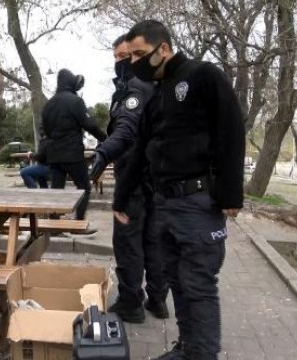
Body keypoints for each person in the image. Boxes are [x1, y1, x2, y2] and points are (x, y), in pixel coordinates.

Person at [113, 20, 245, 360]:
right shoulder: (157, 95)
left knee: (198, 284)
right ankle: (187, 347)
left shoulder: (203, 76)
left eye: (141, 54)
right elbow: (141, 148)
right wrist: (122, 196)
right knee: (177, 281)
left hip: (198, 203)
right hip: (166, 205)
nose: (135, 62)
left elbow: (231, 128)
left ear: (165, 49)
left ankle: (201, 354)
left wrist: (231, 195)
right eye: (131, 57)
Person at [89, 34, 168, 323]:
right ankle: (158, 300)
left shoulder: (136, 87)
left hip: (134, 178)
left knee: (129, 241)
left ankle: (132, 302)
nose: (122, 63)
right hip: (156, 176)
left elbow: (125, 130)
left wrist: (103, 152)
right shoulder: (157, 85)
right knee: (153, 241)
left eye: (127, 56)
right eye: (117, 58)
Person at [42, 68, 107, 220]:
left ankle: (54, 225)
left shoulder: (49, 104)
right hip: (72, 154)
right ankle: (78, 224)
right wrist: (107, 139)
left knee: (56, 191)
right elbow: (90, 125)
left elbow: (46, 130)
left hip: (54, 155)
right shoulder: (75, 101)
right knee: (84, 187)